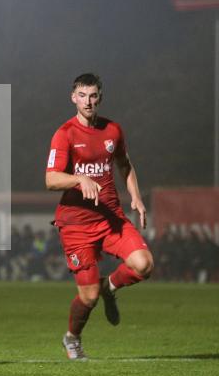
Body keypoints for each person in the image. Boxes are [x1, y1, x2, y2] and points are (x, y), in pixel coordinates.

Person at [45, 73, 153, 360]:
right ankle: (72, 338)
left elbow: (125, 165)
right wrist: (79, 179)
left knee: (144, 265)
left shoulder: (113, 131)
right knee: (88, 297)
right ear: (73, 98)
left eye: (93, 95)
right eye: (83, 95)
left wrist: (137, 197)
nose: (88, 101)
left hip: (110, 219)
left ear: (100, 97)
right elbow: (51, 179)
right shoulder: (65, 134)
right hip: (76, 225)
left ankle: (110, 286)